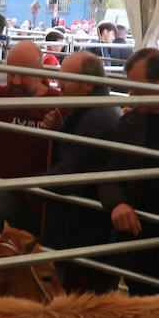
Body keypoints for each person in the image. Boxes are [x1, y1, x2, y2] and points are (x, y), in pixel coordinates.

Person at [99, 48, 159, 294]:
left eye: (138, 88)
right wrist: (117, 204)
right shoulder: (128, 122)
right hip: (140, 240)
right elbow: (110, 173)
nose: (131, 95)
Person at [41, 51, 121, 294]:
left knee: (78, 299)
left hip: (83, 230)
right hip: (85, 226)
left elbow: (68, 176)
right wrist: (61, 131)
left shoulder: (97, 118)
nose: (59, 83)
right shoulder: (95, 111)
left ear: (87, 84)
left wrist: (26, 184)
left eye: (65, 77)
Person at [0, 40, 60, 235]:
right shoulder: (0, 96)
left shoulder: (59, 105)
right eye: (11, 73)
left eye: (24, 75)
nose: (15, 81)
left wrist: (60, 130)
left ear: (41, 71)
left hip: (50, 194)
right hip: (10, 190)